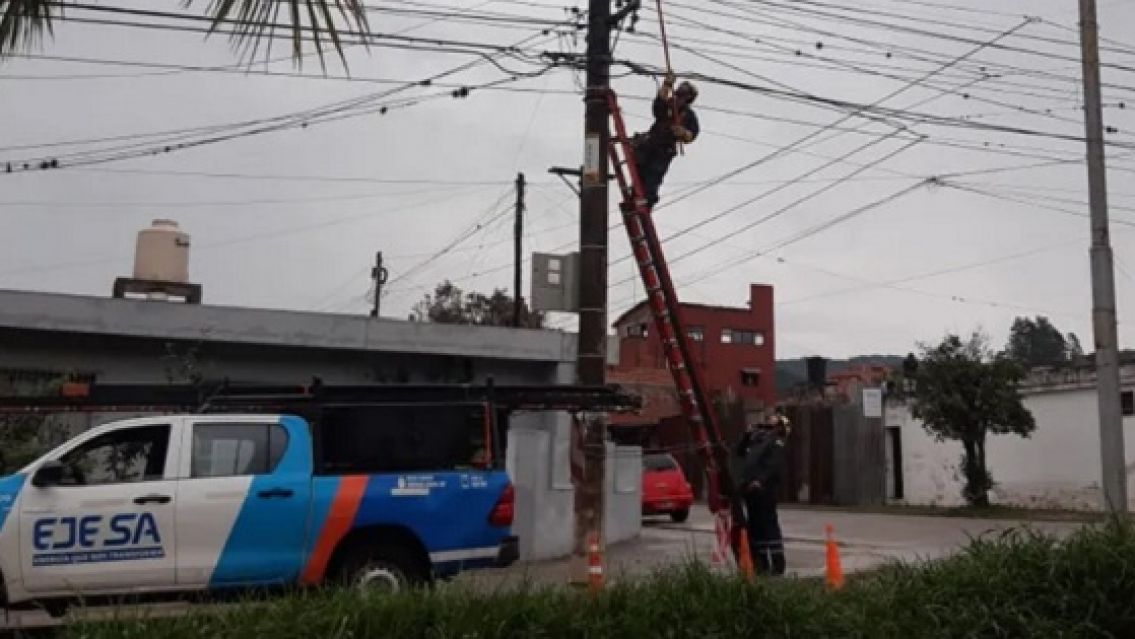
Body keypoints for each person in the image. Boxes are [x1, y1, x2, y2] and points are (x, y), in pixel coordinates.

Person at [631, 72, 700, 208]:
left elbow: (693, 133)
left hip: (665, 149)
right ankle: (636, 194)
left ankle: (648, 200)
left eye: (683, 95)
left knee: (654, 175)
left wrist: (683, 133)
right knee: (639, 169)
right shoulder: (668, 105)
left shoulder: (688, 115)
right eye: (678, 93)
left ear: (688, 98)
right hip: (652, 142)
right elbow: (657, 107)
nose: (678, 97)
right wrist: (667, 84)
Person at [737, 411, 789, 576]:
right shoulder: (755, 440)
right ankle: (760, 563)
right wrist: (747, 435)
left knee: (769, 525)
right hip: (750, 492)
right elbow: (740, 453)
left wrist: (760, 481)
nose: (766, 425)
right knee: (755, 526)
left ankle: (777, 562)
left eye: (771, 423)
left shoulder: (776, 442)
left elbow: (773, 465)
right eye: (766, 422)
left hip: (765, 491)